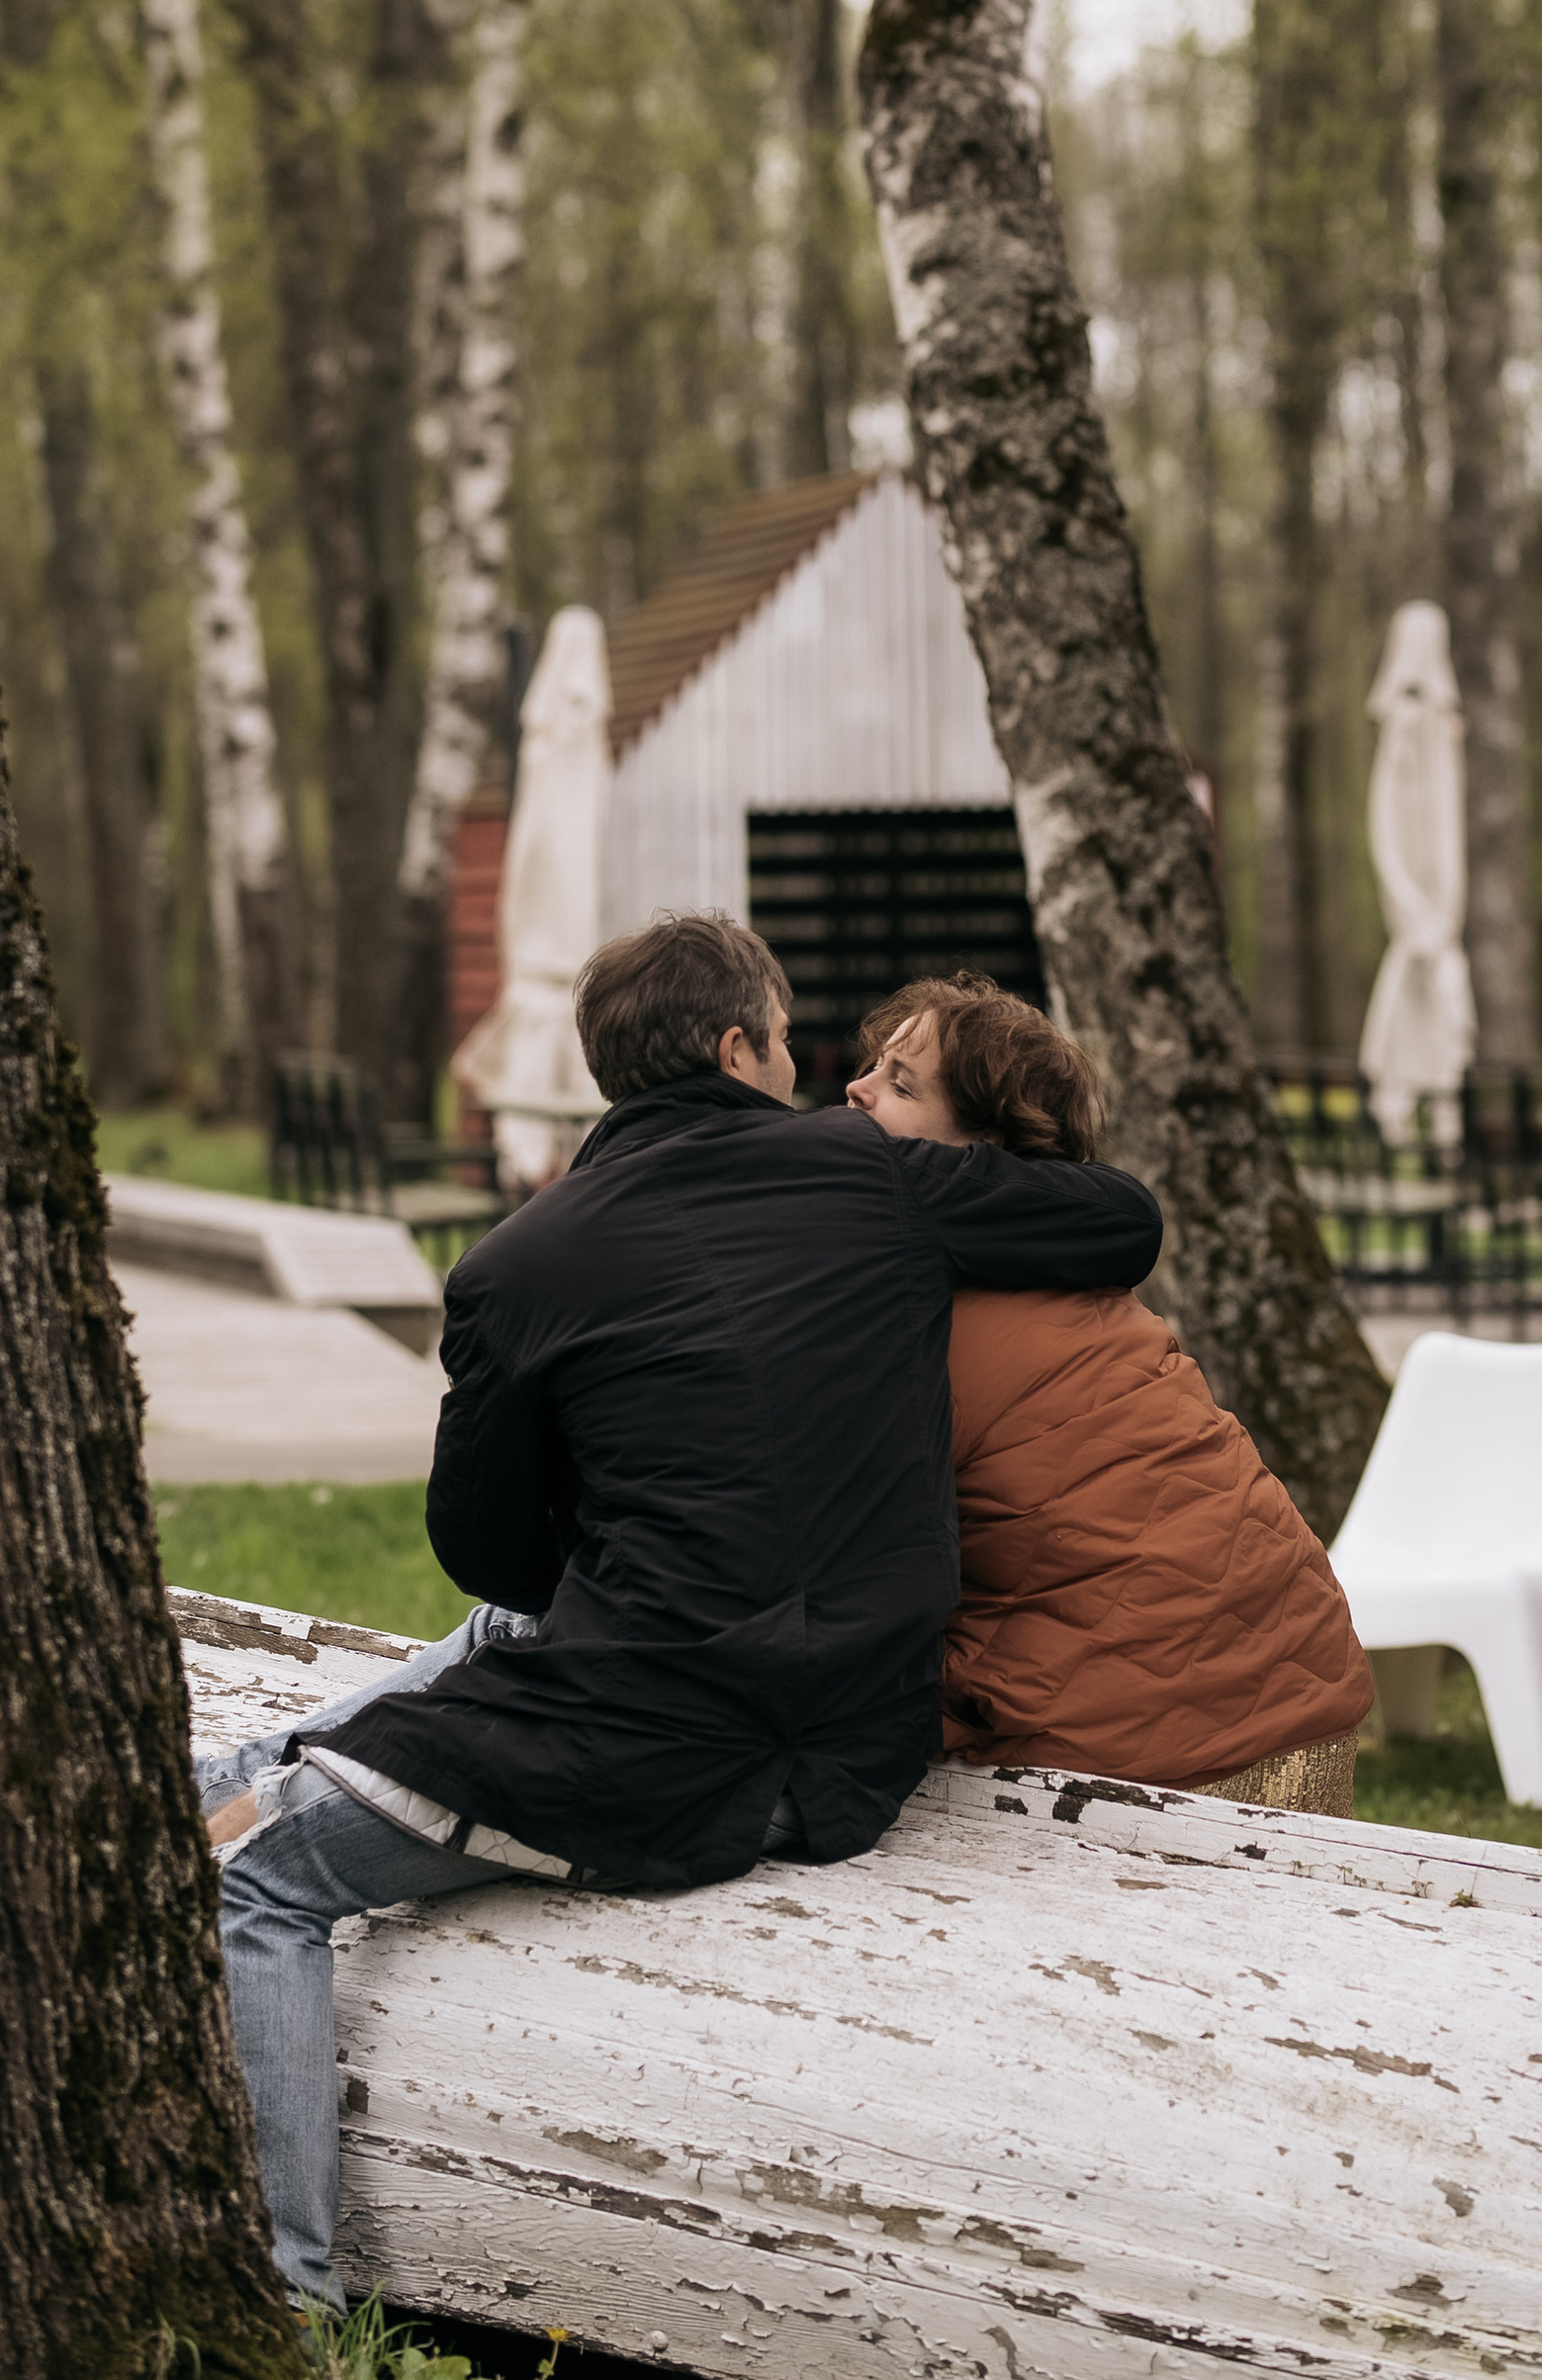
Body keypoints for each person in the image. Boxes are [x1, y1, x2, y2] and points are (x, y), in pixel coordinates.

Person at [201, 910, 1161, 2306]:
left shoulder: (513, 1266)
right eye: (789, 1040)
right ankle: (240, 1771)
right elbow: (1120, 1216)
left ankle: (283, 2296)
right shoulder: (877, 1175)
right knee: (504, 1649)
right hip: (852, 1744)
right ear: (737, 1045)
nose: (817, 1073)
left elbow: (485, 1548)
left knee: (258, 1876)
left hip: (647, 1764)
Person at [846, 975, 1374, 1807]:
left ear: (984, 1151)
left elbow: (862, 1577)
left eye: (900, 1084)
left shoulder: (912, 1312)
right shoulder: (1081, 1279)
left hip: (1151, 1753)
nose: (856, 1090)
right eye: (871, 1068)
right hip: (1308, 1703)